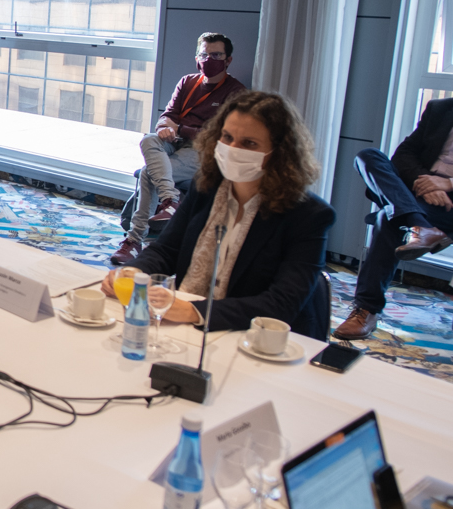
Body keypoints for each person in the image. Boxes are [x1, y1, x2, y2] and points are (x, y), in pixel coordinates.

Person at [102, 91, 334, 340]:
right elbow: (167, 250)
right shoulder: (206, 187)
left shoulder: (309, 216)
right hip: (187, 331)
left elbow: (280, 305)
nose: (233, 149)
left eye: (249, 144)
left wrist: (194, 311)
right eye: (227, 137)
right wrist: (134, 272)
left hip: (258, 342)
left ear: (279, 153)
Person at [334, 60, 453, 339]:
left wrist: (448, 183)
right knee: (368, 157)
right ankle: (419, 225)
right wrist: (425, 181)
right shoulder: (440, 109)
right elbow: (404, 154)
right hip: (418, 191)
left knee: (389, 217)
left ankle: (366, 309)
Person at [110, 32, 246, 265]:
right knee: (149, 139)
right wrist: (165, 126)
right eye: (204, 54)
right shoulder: (187, 82)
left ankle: (134, 241)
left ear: (228, 60)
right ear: (196, 58)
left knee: (147, 172)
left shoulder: (236, 92)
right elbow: (168, 115)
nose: (209, 59)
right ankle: (169, 199)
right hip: (175, 141)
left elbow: (218, 135)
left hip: (204, 150)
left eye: (216, 55)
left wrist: (181, 128)